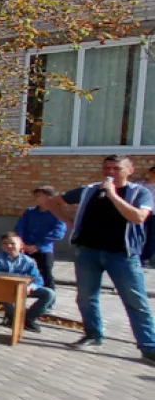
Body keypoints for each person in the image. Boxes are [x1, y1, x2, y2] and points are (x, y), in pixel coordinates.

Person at [48, 155, 155, 361]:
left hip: (123, 255)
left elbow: (138, 217)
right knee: (86, 297)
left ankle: (149, 346)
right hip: (88, 252)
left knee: (135, 300)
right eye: (107, 168)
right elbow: (53, 202)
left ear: (129, 170)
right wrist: (69, 222)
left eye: (116, 168)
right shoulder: (89, 190)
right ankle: (93, 334)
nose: (110, 172)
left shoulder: (139, 192)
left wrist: (113, 195)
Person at [0, 232, 56, 333]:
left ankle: (28, 319)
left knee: (49, 294)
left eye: (12, 243)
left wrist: (31, 287)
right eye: (5, 243)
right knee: (5, 296)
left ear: (21, 246)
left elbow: (38, 280)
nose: (8, 246)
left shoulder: (28, 261)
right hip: (3, 289)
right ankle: (14, 319)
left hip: (23, 289)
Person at [14, 186, 67, 291]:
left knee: (46, 272)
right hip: (24, 247)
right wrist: (21, 243)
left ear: (49, 197)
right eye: (36, 196)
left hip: (43, 248)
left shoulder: (57, 214)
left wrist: (37, 245)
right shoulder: (29, 212)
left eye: (39, 196)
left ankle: (49, 298)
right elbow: (19, 227)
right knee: (17, 271)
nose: (36, 198)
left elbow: (58, 233)